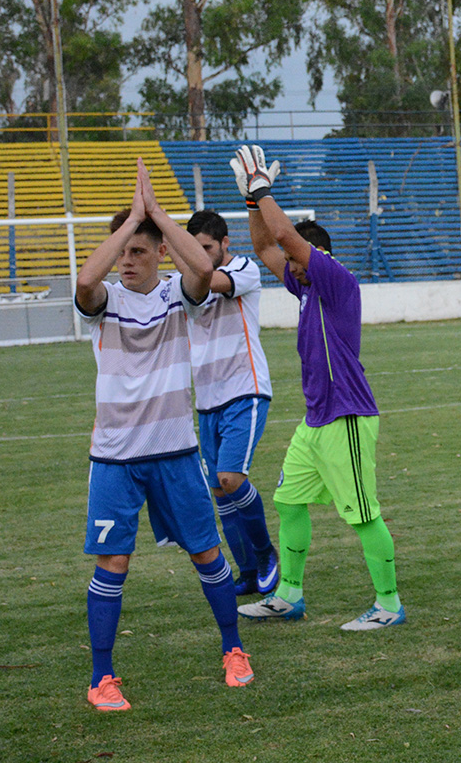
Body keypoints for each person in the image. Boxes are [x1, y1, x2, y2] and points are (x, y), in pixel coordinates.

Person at [75, 159, 253, 712]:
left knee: (206, 553)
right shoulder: (104, 302)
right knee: (113, 564)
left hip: (176, 454)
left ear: (159, 255)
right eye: (122, 250)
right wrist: (131, 221)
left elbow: (201, 267)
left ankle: (234, 650)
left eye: (139, 251)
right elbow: (84, 281)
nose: (128, 261)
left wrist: (157, 214)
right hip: (114, 460)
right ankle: (102, 678)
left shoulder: (179, 294)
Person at [230, 145, 404, 631]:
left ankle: (389, 604)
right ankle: (289, 595)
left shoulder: (333, 276)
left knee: (363, 513)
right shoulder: (306, 286)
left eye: (296, 259)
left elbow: (283, 234)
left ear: (317, 254)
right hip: (316, 420)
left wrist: (263, 186)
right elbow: (268, 246)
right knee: (288, 501)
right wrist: (250, 203)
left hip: (346, 415)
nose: (289, 266)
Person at [185, 209, 279, 597]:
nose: (200, 255)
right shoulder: (186, 279)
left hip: (245, 390)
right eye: (194, 249)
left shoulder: (244, 269)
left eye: (206, 247)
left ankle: (266, 554)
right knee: (220, 495)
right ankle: (247, 571)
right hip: (207, 400)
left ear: (225, 244)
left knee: (230, 478)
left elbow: (209, 282)